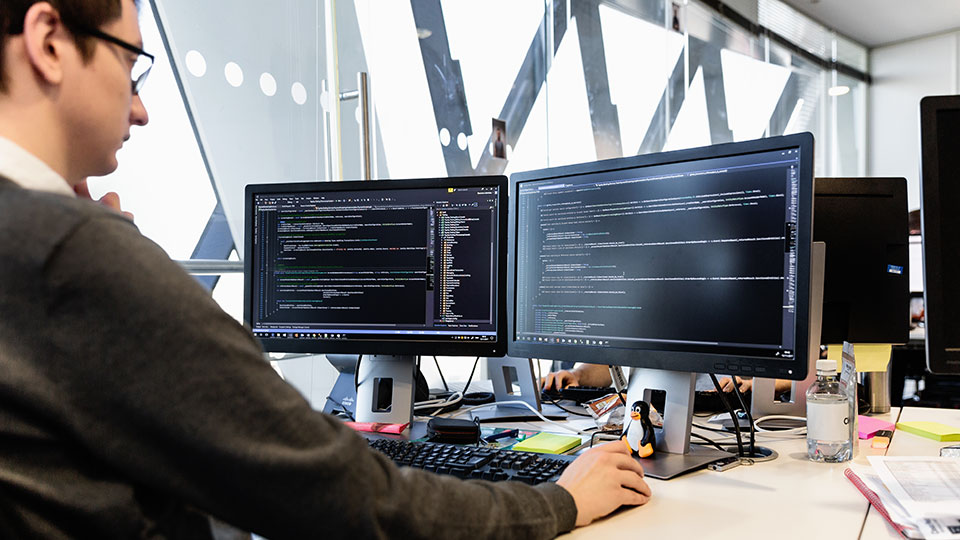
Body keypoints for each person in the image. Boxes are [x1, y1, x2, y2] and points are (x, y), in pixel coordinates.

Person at [0, 1, 651, 539]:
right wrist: (563, 501)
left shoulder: (44, 247)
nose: (140, 108)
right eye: (129, 62)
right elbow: (345, 501)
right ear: (50, 41)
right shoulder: (72, 257)